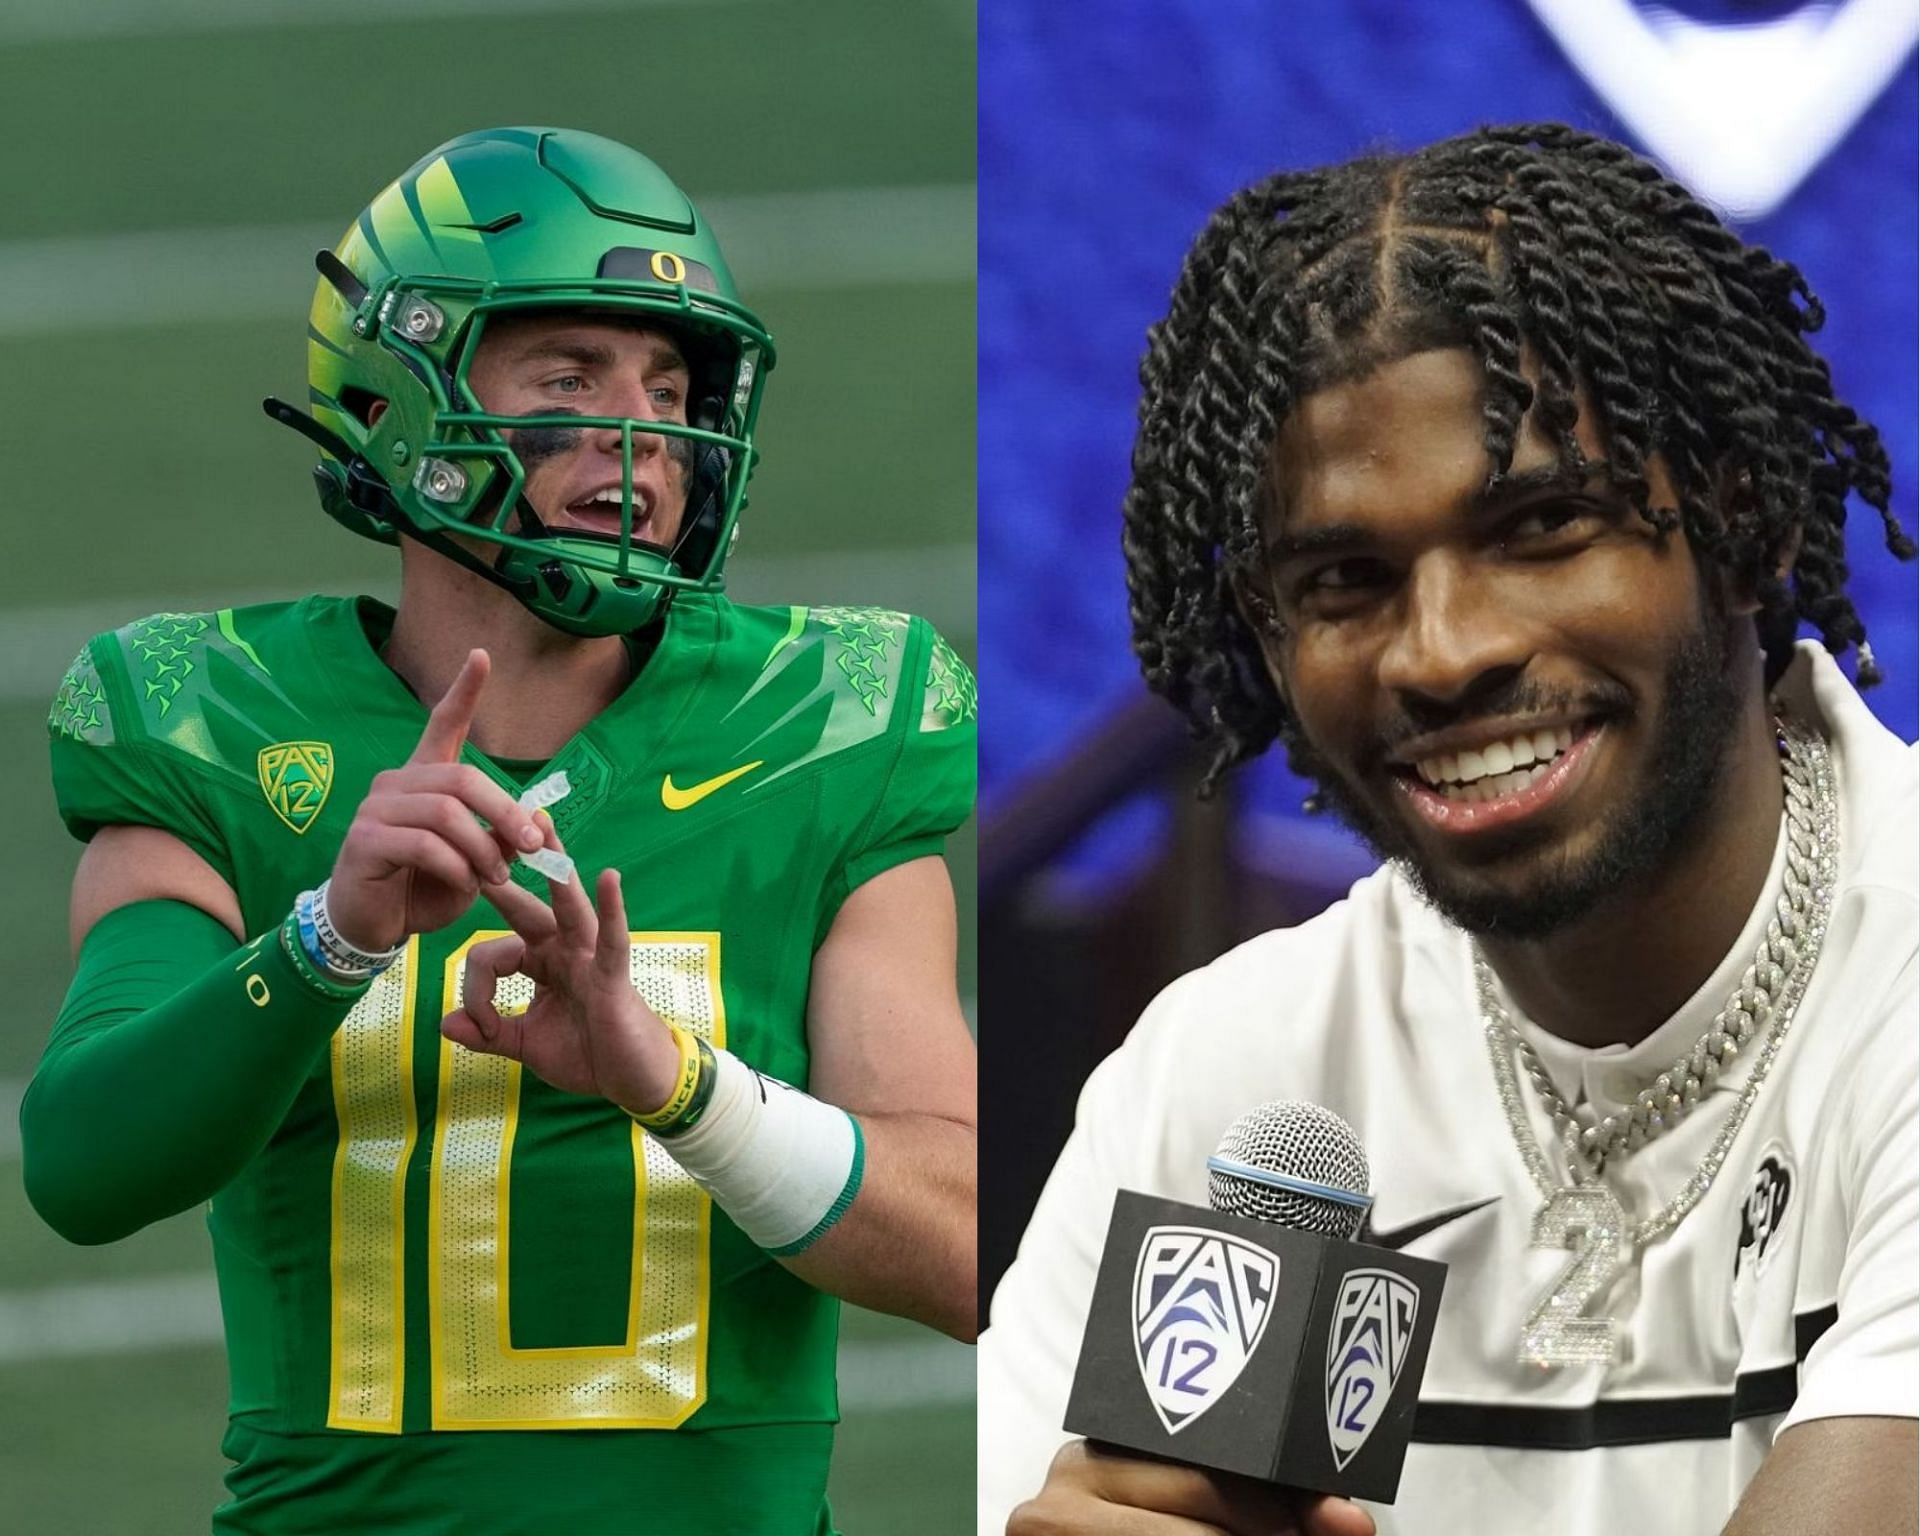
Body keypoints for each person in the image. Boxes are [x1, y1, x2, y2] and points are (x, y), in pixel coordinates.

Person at [22, 126, 976, 1536]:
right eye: (570, 376)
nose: (641, 432)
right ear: (404, 399)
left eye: (670, 384)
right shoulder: (211, 723)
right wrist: (331, 935)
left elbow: (970, 1251)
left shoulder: (825, 719)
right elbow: (86, 1168)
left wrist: (681, 1088)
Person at [978, 124, 1915, 1536]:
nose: (1442, 650)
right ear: (1269, 638)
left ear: (1745, 514)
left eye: (1542, 527)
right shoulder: (1238, 1083)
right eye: (1347, 579)